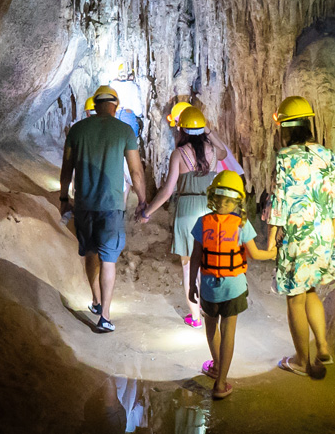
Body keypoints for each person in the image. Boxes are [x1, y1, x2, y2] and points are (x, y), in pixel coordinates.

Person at [266, 96, 335, 379]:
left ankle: (302, 360)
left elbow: (279, 203)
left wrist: (270, 242)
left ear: (286, 128)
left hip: (297, 237)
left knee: (294, 298)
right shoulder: (326, 154)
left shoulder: (285, 157)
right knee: (311, 289)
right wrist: (333, 237)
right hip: (324, 235)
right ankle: (323, 347)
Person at [60, 85, 148, 333]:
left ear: (95, 105)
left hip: (84, 205)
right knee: (108, 260)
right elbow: (135, 171)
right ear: (115, 106)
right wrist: (142, 201)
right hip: (111, 207)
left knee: (90, 253)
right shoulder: (124, 131)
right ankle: (105, 317)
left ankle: (96, 301)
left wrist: (63, 197)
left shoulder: (77, 130)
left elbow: (66, 168)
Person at [187, 170, 276, 399]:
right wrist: (274, 252)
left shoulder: (202, 222)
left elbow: (195, 257)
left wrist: (191, 284)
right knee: (229, 332)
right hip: (234, 287)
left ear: (212, 197)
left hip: (208, 285)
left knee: (210, 328)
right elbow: (255, 254)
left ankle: (216, 366)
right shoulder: (241, 223)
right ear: (237, 200)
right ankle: (221, 382)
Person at [139, 106, 225, 327]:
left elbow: (168, 191)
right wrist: (208, 130)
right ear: (201, 129)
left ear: (182, 130)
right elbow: (224, 150)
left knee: (189, 266)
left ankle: (195, 318)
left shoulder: (179, 154)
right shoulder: (214, 152)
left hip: (187, 210)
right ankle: (213, 310)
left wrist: (147, 212)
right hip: (210, 209)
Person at [167, 101, 244, 176]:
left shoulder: (208, 136)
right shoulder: (185, 147)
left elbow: (223, 154)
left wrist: (206, 130)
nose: (177, 127)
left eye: (177, 122)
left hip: (217, 177)